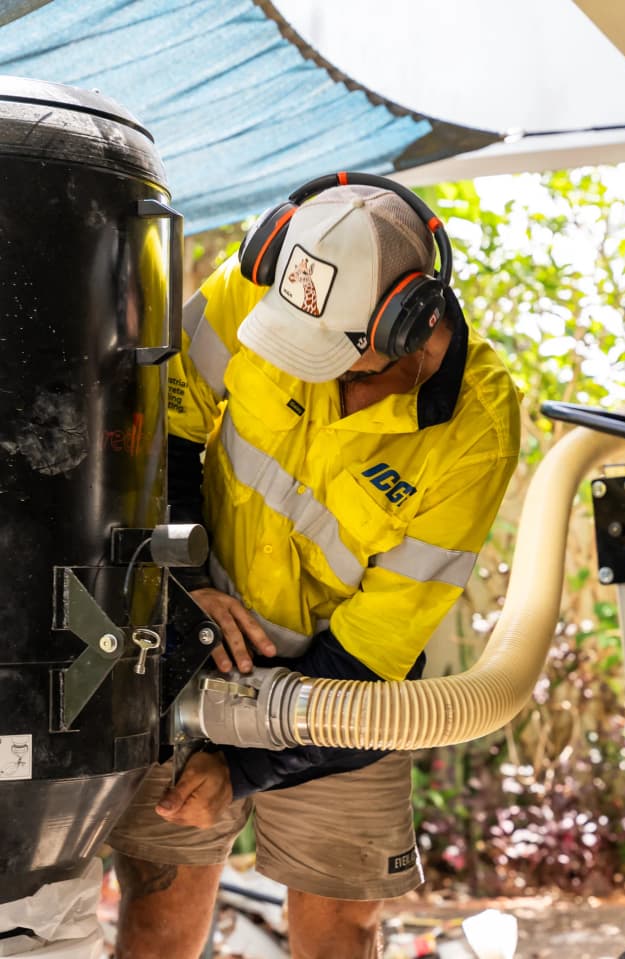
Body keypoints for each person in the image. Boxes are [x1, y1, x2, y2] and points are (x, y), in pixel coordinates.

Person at [108, 173, 521, 959]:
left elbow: (378, 641)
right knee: (158, 910)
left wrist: (242, 764)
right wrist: (184, 583)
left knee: (340, 933)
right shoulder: (260, 289)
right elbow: (165, 421)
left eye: (340, 357)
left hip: (343, 695)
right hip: (193, 642)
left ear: (412, 322)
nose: (312, 371)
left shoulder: (476, 428)